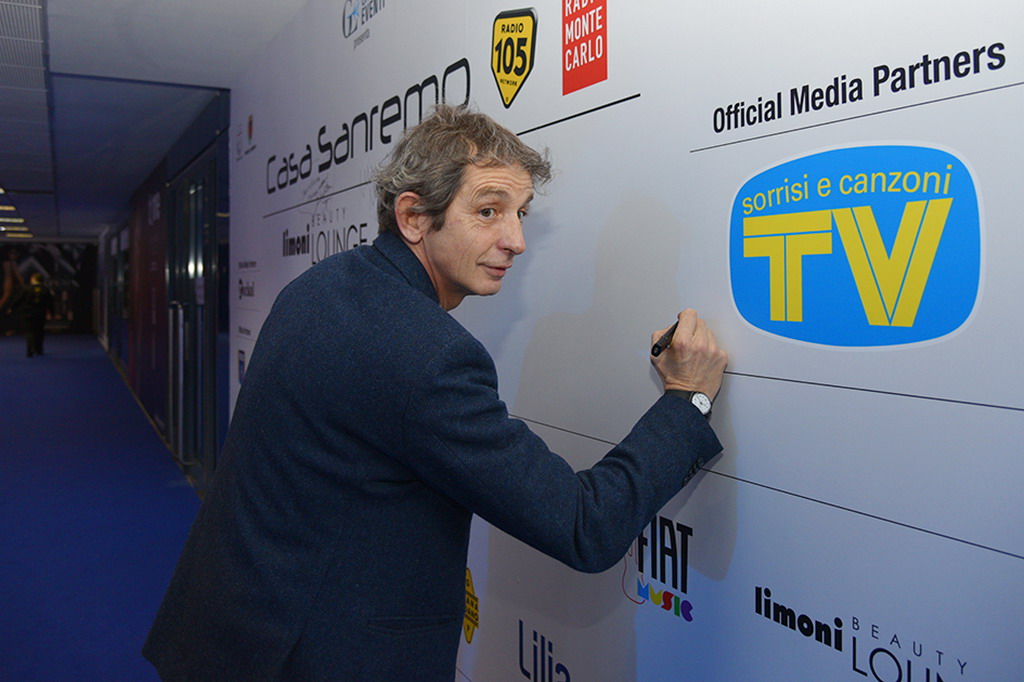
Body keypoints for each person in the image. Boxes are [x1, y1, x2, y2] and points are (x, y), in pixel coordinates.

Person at [143, 104, 729, 681]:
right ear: (414, 218)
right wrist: (688, 399)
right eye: (488, 211)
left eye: (521, 213)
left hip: (227, 634)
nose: (516, 240)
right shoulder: (427, 355)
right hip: (307, 657)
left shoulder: (321, 286)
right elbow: (584, 525)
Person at [10, 272, 53, 357]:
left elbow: (19, 300)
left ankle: (30, 350)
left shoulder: (27, 289)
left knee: (30, 332)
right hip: (41, 314)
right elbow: (50, 303)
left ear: (33, 279)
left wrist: (12, 308)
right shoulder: (45, 289)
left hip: (28, 314)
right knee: (39, 332)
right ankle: (39, 350)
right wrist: (52, 313)